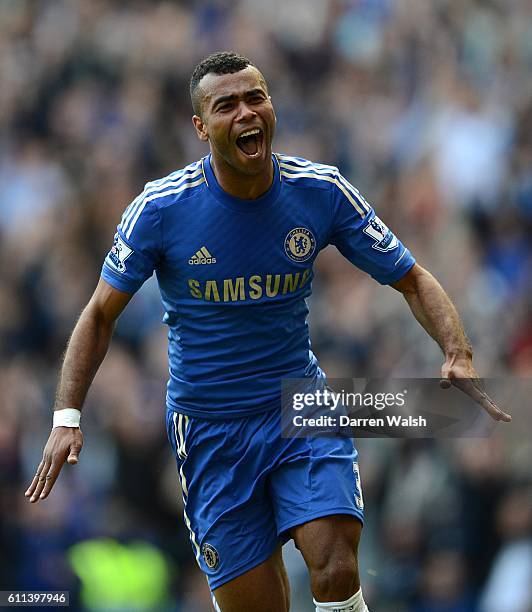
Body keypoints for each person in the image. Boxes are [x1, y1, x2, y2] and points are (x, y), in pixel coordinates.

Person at [25, 52, 511, 612]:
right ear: (201, 126)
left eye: (255, 97)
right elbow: (98, 316)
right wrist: (67, 416)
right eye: (226, 104)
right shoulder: (160, 209)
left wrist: (457, 350)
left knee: (335, 562)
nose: (246, 112)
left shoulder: (320, 190)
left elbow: (412, 278)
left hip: (296, 404)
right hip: (210, 428)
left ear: (272, 105)